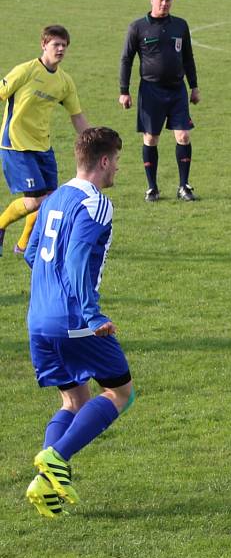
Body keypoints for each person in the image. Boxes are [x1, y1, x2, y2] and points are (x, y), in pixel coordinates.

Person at [23, 127, 134, 518]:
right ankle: (57, 456)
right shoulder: (96, 204)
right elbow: (77, 257)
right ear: (104, 161)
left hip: (38, 319)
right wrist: (91, 313)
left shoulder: (53, 199)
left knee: (73, 399)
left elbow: (31, 253)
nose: (118, 168)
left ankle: (45, 483)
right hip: (74, 319)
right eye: (117, 160)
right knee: (121, 393)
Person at [0, 25, 89, 258]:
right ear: (43, 45)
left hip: (43, 145)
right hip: (16, 144)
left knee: (48, 200)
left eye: (64, 46)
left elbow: (77, 115)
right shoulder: (26, 70)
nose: (60, 49)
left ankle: (23, 245)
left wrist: (93, 142)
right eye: (55, 45)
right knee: (34, 202)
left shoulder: (64, 82)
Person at [119, 0, 200, 202]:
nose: (164, 3)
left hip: (177, 90)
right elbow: (127, 59)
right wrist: (124, 91)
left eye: (168, 0)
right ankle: (152, 188)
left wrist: (194, 86)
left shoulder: (180, 26)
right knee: (151, 138)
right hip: (151, 90)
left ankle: (184, 186)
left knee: (183, 135)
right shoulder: (137, 27)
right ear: (152, 0)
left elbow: (188, 57)